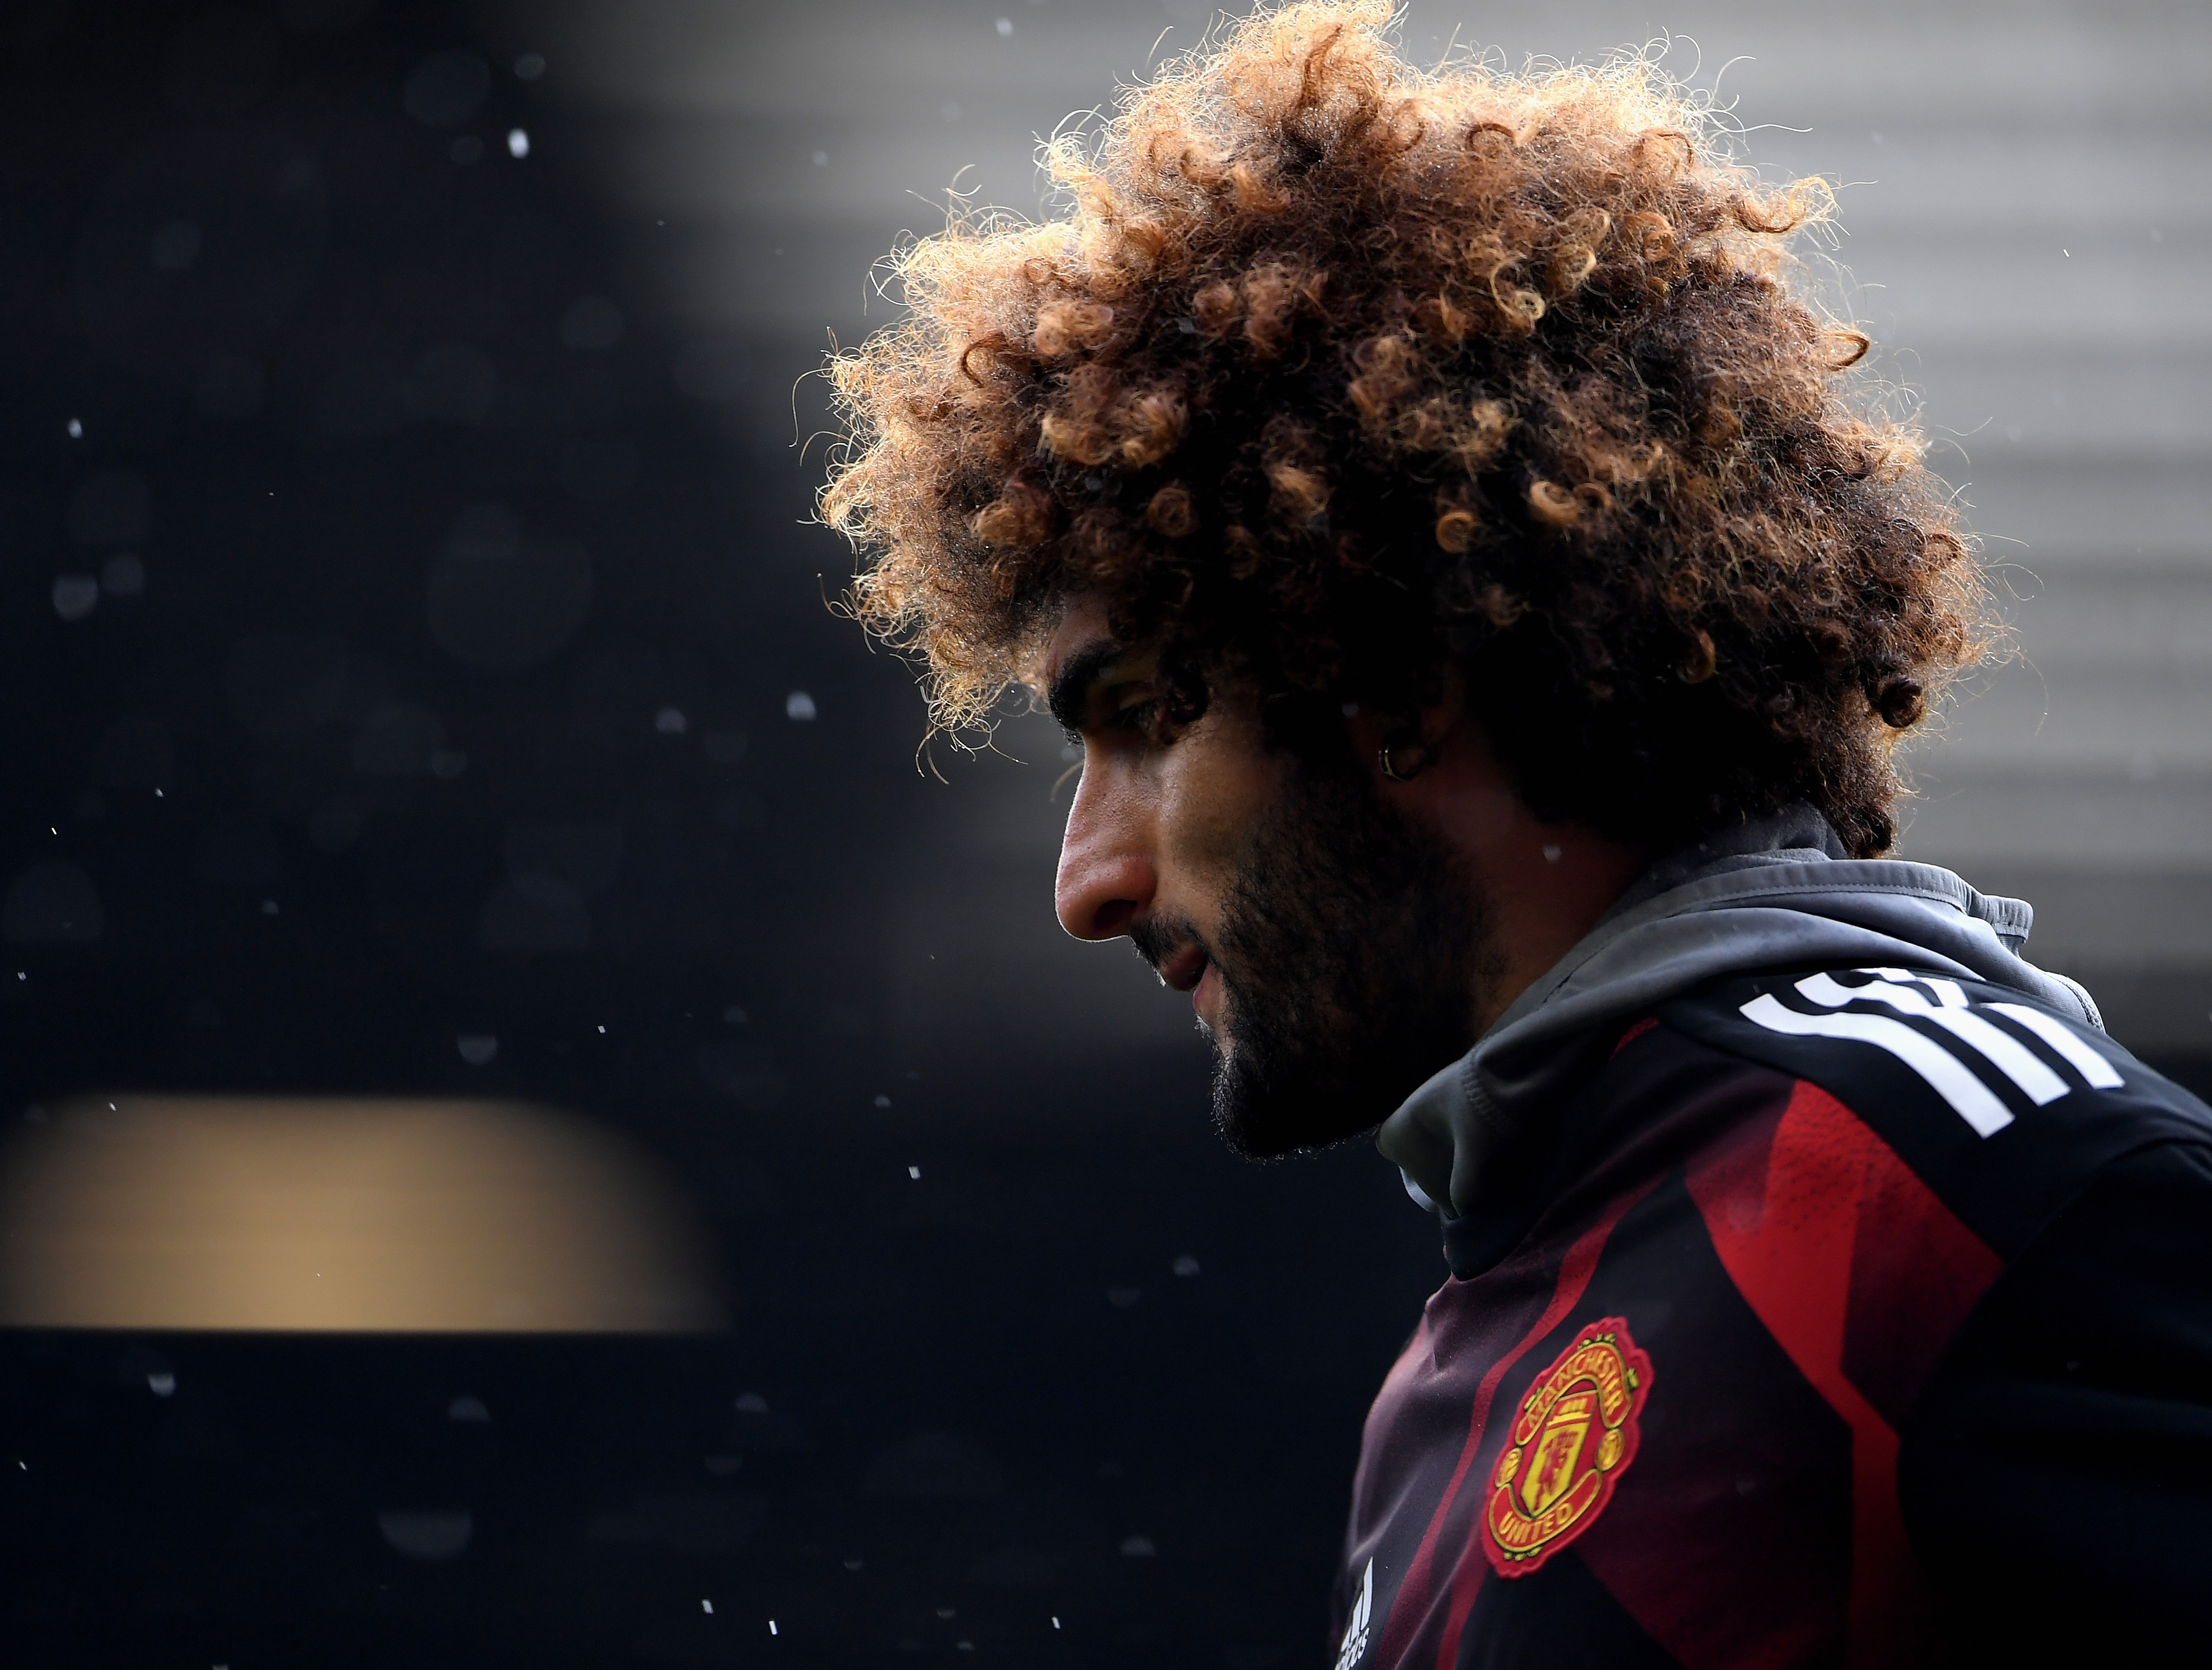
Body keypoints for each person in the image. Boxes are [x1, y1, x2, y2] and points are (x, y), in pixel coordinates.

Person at [819, 3, 2212, 1664]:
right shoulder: (1462, 1363)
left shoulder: (1986, 1181)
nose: (1086, 880)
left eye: (1139, 718)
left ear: (1390, 687)